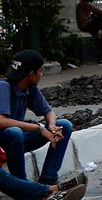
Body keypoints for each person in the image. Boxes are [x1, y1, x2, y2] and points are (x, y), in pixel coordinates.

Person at [0, 50, 76, 189]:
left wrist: (52, 126)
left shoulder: (30, 88)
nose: (41, 75)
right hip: (5, 142)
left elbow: (48, 112)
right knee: (14, 132)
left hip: (18, 141)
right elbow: (2, 121)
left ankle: (48, 179)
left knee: (64, 125)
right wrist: (39, 128)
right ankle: (22, 188)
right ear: (31, 74)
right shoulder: (4, 87)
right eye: (40, 71)